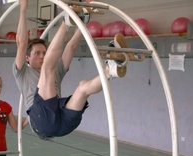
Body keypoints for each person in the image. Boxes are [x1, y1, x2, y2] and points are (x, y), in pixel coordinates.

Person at [13, 0, 128, 139]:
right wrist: (23, 9)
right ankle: (65, 21)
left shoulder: (57, 70)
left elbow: (72, 45)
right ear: (27, 58)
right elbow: (21, 43)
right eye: (37, 53)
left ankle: (111, 70)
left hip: (63, 124)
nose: (42, 56)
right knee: (47, 69)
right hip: (41, 121)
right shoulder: (22, 72)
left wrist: (83, 20)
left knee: (83, 88)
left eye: (44, 52)